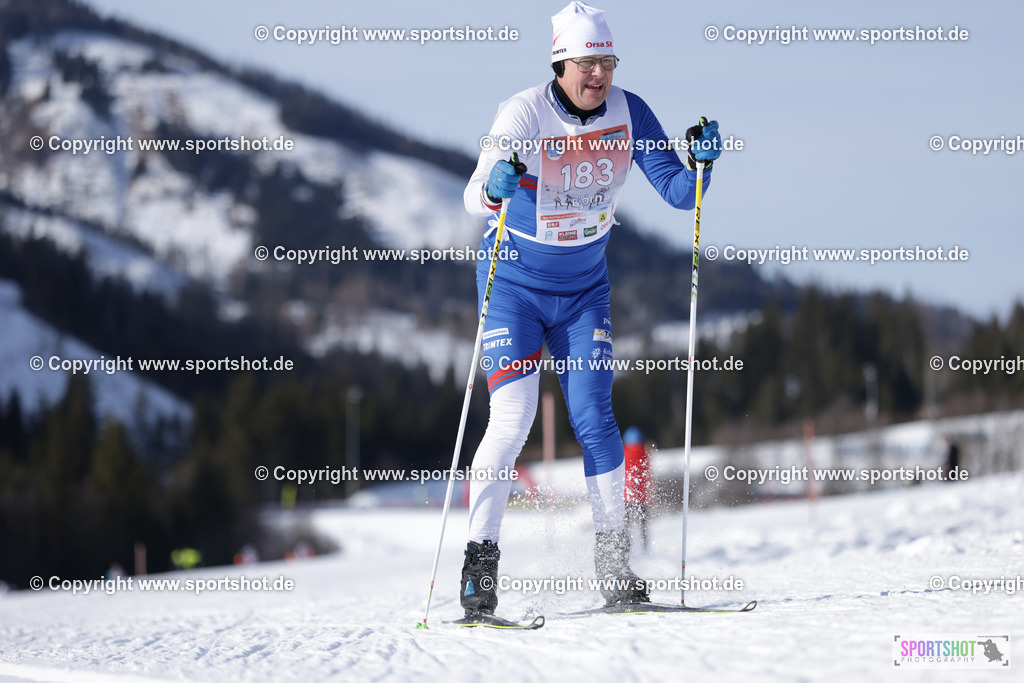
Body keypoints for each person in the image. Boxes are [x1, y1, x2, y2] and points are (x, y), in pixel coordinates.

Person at [460, 0, 721, 617]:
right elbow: (474, 195)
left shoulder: (632, 112)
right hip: (514, 287)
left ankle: (614, 566)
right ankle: (479, 568)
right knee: (514, 418)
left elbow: (682, 194)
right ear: (560, 63)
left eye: (607, 61)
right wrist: (496, 187)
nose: (599, 73)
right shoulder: (522, 112)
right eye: (587, 62)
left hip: (583, 292)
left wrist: (707, 162)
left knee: (594, 417)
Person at [623, 427, 653, 551]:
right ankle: (645, 548)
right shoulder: (644, 454)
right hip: (642, 497)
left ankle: (626, 548)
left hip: (626, 497)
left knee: (626, 526)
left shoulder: (624, 453)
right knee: (643, 526)